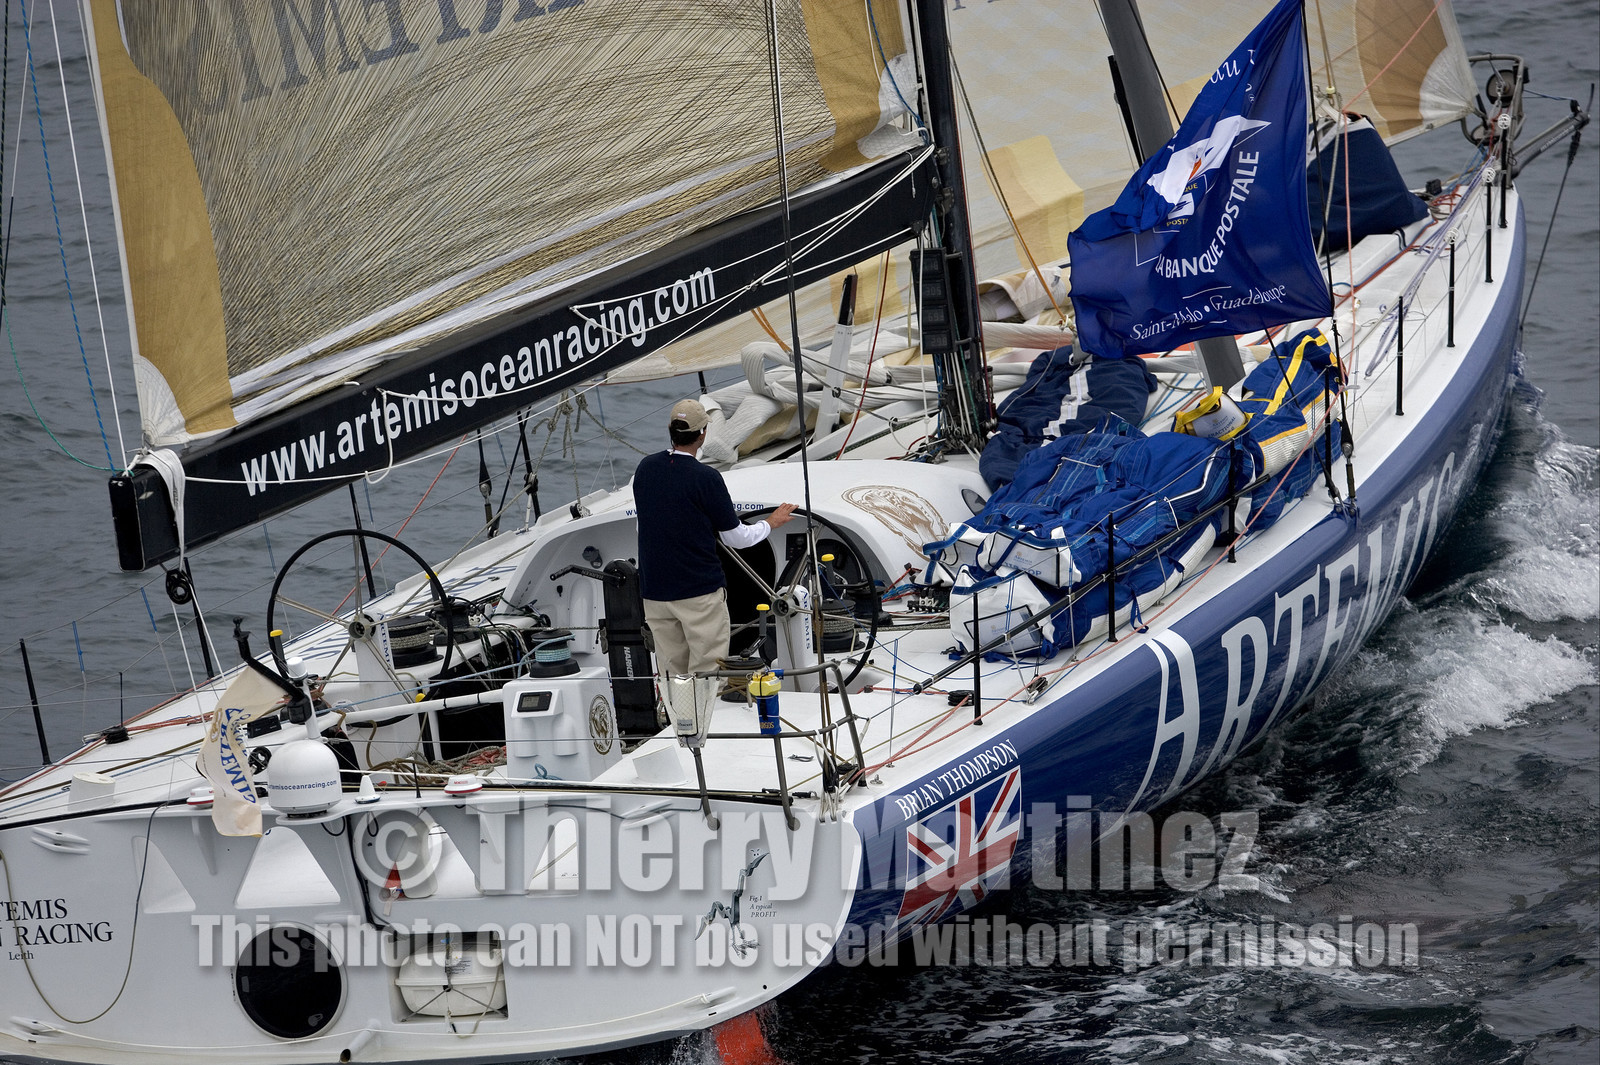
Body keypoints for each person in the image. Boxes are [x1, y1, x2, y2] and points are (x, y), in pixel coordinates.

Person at [633, 398, 797, 679]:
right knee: (706, 675)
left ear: (670, 430)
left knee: (674, 676)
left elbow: (644, 525)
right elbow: (736, 538)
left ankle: (679, 721)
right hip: (698, 595)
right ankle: (703, 723)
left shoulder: (646, 468)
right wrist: (770, 523)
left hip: (654, 593)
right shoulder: (706, 478)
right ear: (703, 434)